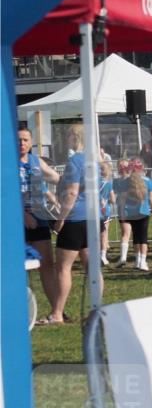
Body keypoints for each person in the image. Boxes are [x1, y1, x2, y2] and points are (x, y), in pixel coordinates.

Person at [49, 124, 105, 325]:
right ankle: (97, 310)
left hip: (75, 220)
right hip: (93, 218)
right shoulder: (94, 161)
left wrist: (60, 219)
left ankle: (57, 313)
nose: (66, 140)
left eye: (68, 136)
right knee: (92, 268)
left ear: (75, 137)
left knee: (63, 268)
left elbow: (72, 193)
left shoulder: (75, 161)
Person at [18, 127, 60, 321]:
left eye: (25, 140)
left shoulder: (36, 161)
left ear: (31, 142)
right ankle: (20, 313)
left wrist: (77, 182)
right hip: (15, 220)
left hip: (39, 217)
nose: (22, 143)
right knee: (18, 267)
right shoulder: (6, 162)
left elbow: (55, 178)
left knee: (47, 264)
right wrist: (23, 214)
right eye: (19, 140)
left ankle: (57, 311)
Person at [114, 159, 152, 270]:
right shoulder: (147, 181)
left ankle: (137, 261)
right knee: (143, 238)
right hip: (143, 212)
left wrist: (122, 213)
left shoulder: (125, 182)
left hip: (129, 213)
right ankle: (142, 262)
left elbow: (122, 199)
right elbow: (151, 197)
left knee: (136, 238)